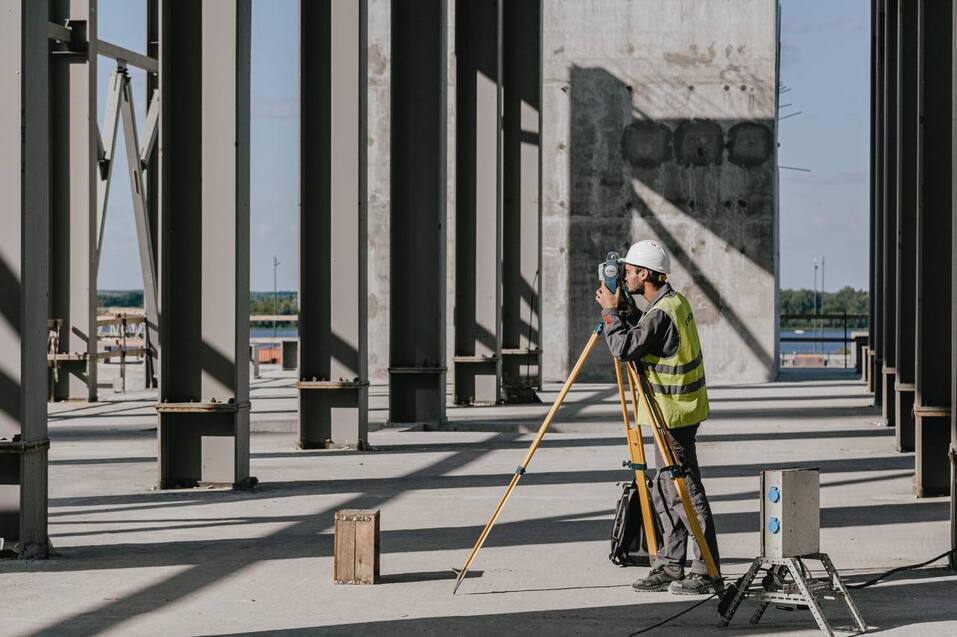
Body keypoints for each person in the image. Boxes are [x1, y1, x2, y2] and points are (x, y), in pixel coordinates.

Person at [594, 240, 721, 595]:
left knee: (685, 491)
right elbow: (643, 334)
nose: (625, 276)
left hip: (674, 415)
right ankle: (670, 564)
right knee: (666, 490)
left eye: (630, 271)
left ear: (645, 274)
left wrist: (610, 314)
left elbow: (625, 347)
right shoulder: (667, 304)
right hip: (668, 413)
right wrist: (622, 310)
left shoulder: (664, 311)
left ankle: (705, 569)